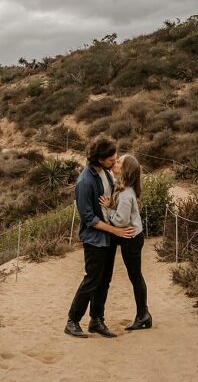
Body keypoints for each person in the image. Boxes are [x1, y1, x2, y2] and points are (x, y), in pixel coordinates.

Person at [65, 139, 136, 338]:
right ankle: (72, 321)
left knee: (104, 280)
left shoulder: (105, 173)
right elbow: (89, 219)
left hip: (109, 237)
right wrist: (117, 232)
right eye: (111, 160)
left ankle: (96, 320)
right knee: (91, 280)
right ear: (100, 159)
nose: (114, 163)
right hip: (95, 239)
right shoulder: (85, 182)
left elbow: (113, 195)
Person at [100, 153, 152, 330]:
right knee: (135, 276)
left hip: (131, 237)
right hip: (129, 236)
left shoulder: (126, 194)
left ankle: (143, 315)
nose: (115, 162)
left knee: (135, 276)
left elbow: (120, 221)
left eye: (119, 162)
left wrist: (108, 209)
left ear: (125, 169)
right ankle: (143, 314)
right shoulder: (121, 188)